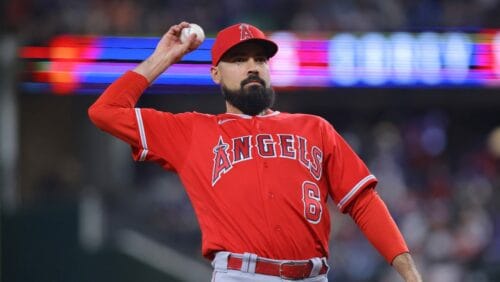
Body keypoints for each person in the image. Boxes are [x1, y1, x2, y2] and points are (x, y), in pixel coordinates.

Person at [88, 21, 422, 281]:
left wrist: (409, 273)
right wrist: (165, 57)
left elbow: (363, 203)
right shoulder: (191, 131)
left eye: (259, 59)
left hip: (314, 276)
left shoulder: (314, 128)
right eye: (238, 60)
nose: (252, 67)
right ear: (216, 74)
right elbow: (105, 112)